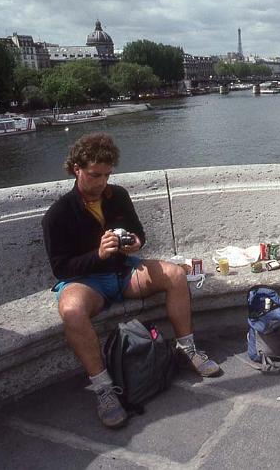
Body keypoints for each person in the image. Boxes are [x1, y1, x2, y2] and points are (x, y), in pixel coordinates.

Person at [42, 132, 222, 429]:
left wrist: (136, 243)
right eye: (94, 174)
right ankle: (103, 388)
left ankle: (187, 348)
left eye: (107, 175)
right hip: (86, 281)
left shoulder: (118, 196)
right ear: (77, 169)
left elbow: (139, 232)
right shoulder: (58, 214)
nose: (101, 182)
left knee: (176, 274)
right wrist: (98, 255)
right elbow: (61, 268)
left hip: (123, 270)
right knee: (71, 310)